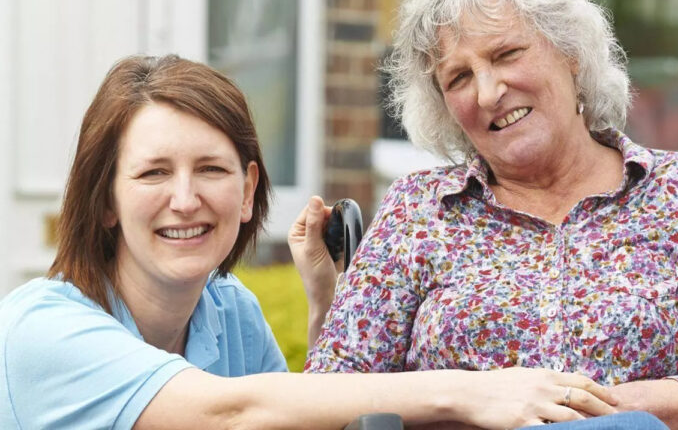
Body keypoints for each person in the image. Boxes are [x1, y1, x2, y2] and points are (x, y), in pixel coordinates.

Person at [291, 0, 678, 430]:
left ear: (571, 55)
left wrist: (622, 408)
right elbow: (332, 392)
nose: (488, 92)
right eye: (458, 79)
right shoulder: (419, 210)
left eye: (507, 54)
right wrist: (465, 398)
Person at [0, 54, 625, 430]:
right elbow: (229, 413)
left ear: (248, 193)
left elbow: (293, 417)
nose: (186, 199)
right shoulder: (44, 329)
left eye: (212, 170)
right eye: (153, 172)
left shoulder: (229, 314)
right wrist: (472, 388)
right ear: (105, 199)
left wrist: (327, 307)